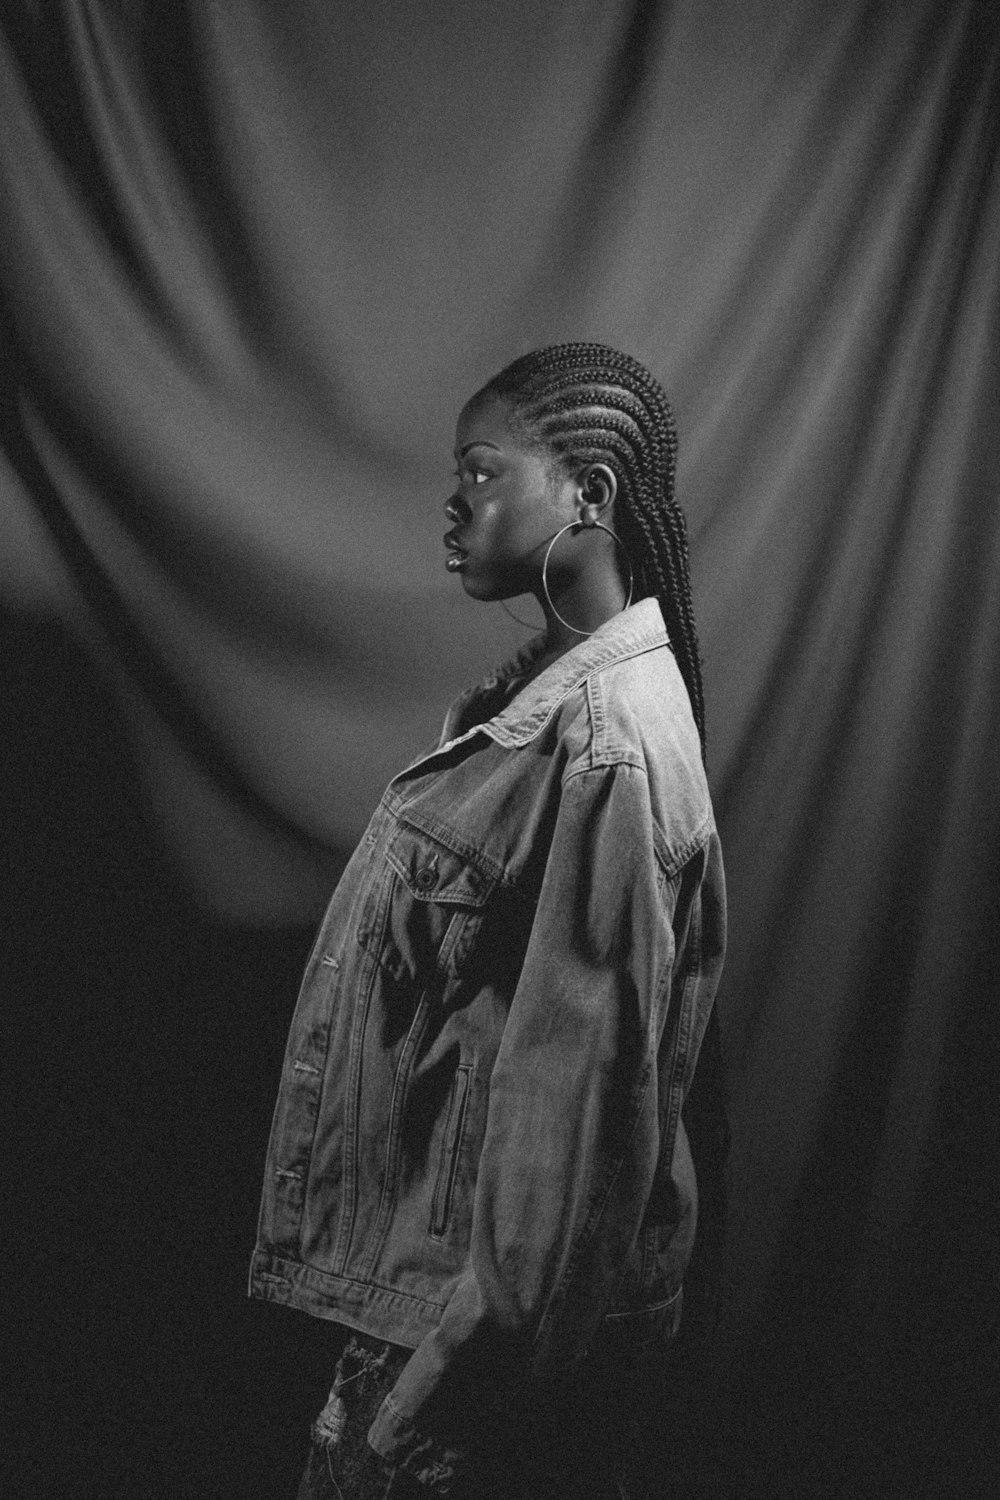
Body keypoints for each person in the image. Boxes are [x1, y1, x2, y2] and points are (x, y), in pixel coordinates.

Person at [249, 343, 727, 1499]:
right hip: (431, 1311)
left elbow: (574, 1116)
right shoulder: (540, 708)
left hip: (467, 1367)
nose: (453, 505)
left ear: (590, 495)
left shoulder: (607, 747)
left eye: (481, 473)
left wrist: (432, 1411)